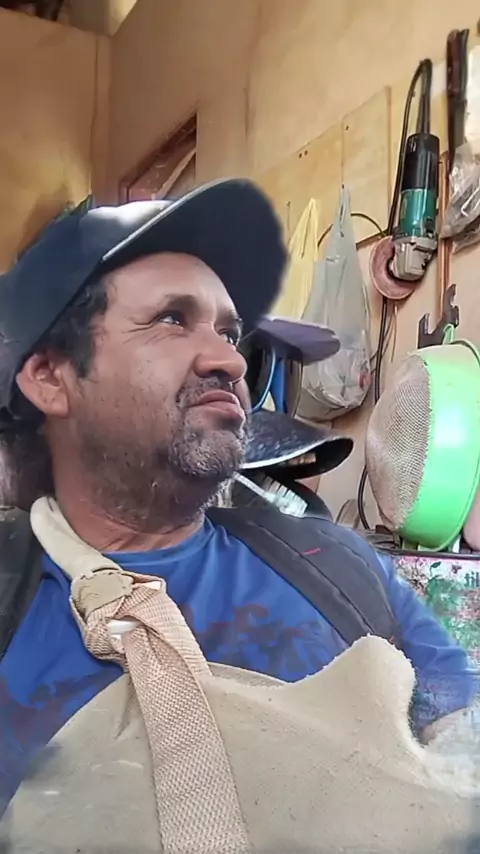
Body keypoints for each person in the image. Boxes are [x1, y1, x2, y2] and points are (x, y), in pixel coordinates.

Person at [0, 180, 475, 823]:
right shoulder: (12, 597)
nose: (230, 362)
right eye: (172, 319)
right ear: (51, 377)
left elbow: (461, 742)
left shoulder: (334, 564)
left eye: (229, 333)